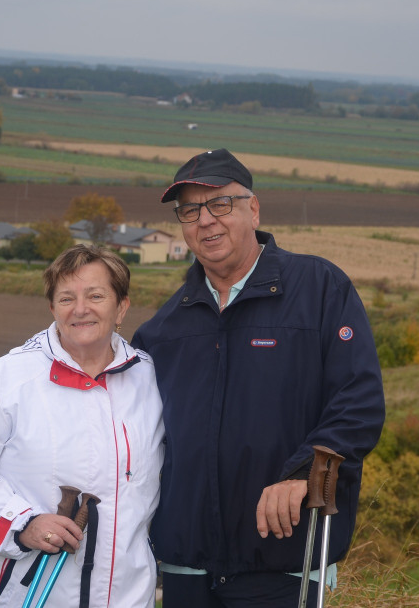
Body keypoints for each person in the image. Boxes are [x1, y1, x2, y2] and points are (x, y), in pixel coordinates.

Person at [131, 148, 386, 607]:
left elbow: (358, 403)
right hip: (186, 566)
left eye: (220, 203)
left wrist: (304, 473)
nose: (205, 220)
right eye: (190, 210)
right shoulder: (161, 331)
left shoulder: (320, 289)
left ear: (253, 209)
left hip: (284, 559)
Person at [0, 244, 164, 608]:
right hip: (20, 598)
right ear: (53, 309)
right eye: (66, 298)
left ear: (121, 307)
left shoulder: (152, 381)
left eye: (96, 296)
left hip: (126, 598)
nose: (80, 309)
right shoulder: (5, 380)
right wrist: (21, 524)